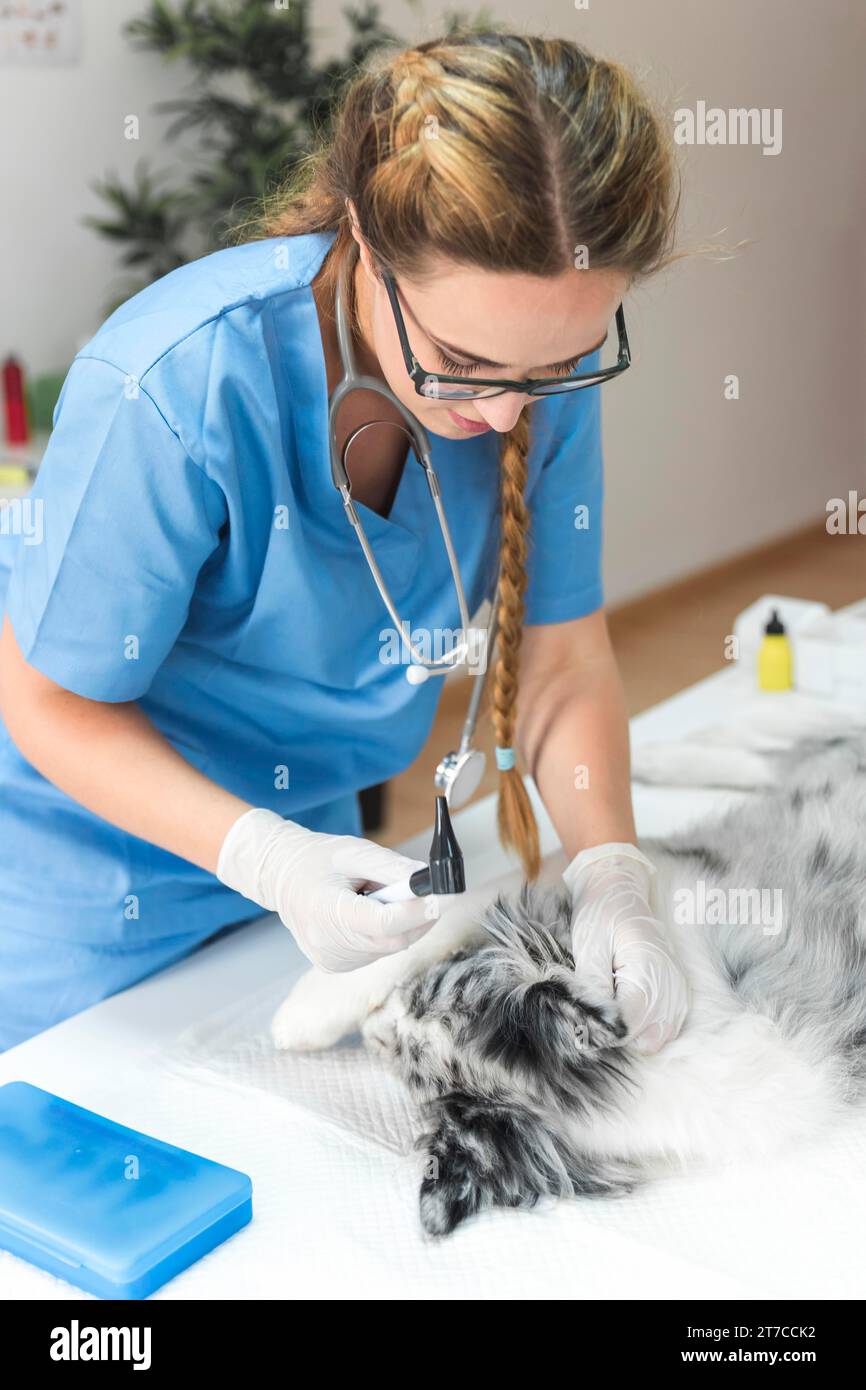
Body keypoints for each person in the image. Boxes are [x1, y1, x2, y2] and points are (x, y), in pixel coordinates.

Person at [0, 31, 687, 1054]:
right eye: (461, 362)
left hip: (315, 873)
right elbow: (44, 697)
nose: (504, 416)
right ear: (366, 241)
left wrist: (610, 873)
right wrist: (261, 855)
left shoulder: (532, 376)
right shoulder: (175, 384)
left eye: (558, 359)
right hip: (83, 892)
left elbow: (559, 660)